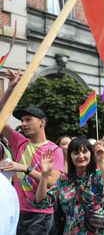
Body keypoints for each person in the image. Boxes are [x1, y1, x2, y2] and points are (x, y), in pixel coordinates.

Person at [0, 69, 64, 234]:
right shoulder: (19, 141)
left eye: (29, 120)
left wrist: (24, 168)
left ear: (42, 122)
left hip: (40, 215)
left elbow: (51, 181)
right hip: (18, 210)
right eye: (22, 120)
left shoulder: (54, 150)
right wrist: (10, 89)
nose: (24, 124)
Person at [34, 137, 104, 234]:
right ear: (70, 156)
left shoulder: (97, 175)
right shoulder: (64, 179)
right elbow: (41, 202)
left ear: (91, 153)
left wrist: (101, 162)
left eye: (85, 151)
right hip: (72, 231)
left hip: (98, 230)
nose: (81, 156)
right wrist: (44, 175)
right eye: (76, 153)